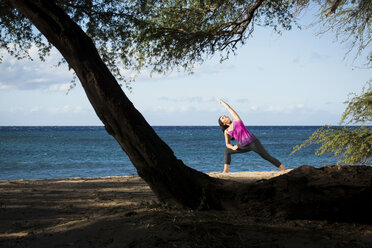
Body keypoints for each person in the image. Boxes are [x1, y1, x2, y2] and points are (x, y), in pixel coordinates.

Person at [217, 98, 286, 173]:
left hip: (253, 143)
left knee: (267, 157)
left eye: (224, 115)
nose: (225, 116)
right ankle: (225, 171)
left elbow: (229, 108)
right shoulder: (226, 132)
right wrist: (232, 147)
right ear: (223, 123)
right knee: (227, 151)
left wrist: (222, 102)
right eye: (223, 118)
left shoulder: (236, 120)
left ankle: (284, 170)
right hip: (244, 146)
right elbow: (227, 144)